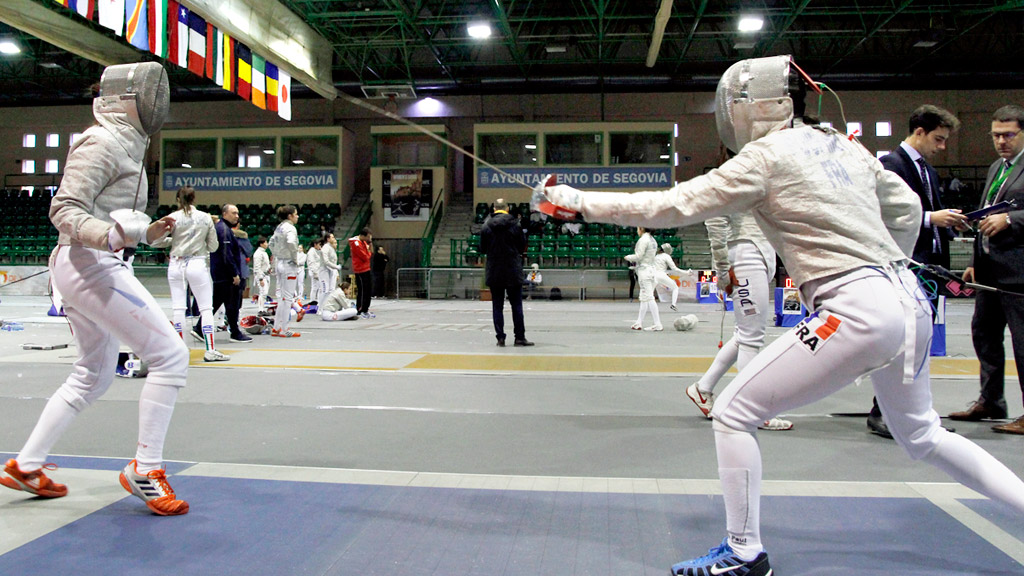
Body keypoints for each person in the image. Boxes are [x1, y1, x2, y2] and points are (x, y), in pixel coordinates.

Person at [532, 54, 1024, 575]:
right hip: (909, 300)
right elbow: (904, 208)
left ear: (757, 106)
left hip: (856, 308)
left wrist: (577, 201)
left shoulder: (764, 158)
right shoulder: (844, 145)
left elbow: (673, 206)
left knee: (732, 413)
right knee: (924, 436)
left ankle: (744, 550)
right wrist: (886, 261)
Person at [1, 62, 190, 515]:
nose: (158, 102)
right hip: (89, 264)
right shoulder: (101, 140)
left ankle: (25, 466)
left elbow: (115, 219)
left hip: (91, 263)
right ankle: (146, 469)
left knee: (93, 373)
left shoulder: (128, 144)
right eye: (152, 93)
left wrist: (144, 234)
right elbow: (64, 208)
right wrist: (105, 237)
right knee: (170, 355)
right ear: (129, 98)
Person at [867, 105, 966, 438]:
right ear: (919, 132)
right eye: (937, 139)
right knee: (901, 342)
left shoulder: (929, 172)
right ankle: (883, 412)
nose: (941, 147)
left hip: (929, 265)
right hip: (905, 264)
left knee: (918, 344)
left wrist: (946, 220)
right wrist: (930, 218)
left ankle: (910, 411)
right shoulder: (890, 166)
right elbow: (883, 213)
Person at [950, 104, 1024, 434]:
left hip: (1019, 273)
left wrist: (1011, 219)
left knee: (1023, 343)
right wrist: (973, 264)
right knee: (984, 335)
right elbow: (984, 217)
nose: (1001, 141)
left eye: (1008, 135)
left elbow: (1002, 217)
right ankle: (992, 400)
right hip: (990, 271)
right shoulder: (997, 168)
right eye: (996, 135)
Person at [687, 212, 792, 432]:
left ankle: (702, 388)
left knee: (744, 336)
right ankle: (751, 410)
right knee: (751, 339)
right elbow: (715, 218)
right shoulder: (734, 178)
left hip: (760, 252)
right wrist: (722, 268)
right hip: (745, 255)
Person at [151, 186, 229, 362]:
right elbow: (213, 246)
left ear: (178, 200)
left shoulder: (171, 218)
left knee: (178, 308)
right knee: (206, 308)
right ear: (194, 199)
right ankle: (210, 350)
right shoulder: (205, 217)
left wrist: (175, 241)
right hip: (196, 263)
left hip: (176, 264)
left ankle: (180, 351)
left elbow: (155, 242)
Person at [480, 198, 533, 347]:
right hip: (512, 270)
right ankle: (520, 337)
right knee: (516, 306)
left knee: (497, 307)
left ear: (494, 208)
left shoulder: (486, 225)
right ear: (507, 208)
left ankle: (500, 338)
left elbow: (482, 249)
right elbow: (522, 246)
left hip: (494, 270)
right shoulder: (516, 224)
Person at [207, 204, 250, 343]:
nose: (237, 216)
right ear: (225, 214)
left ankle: (199, 328)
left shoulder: (223, 228)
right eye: (234, 213)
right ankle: (235, 332)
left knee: (219, 301)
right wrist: (234, 273)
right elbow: (227, 254)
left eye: (237, 213)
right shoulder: (223, 230)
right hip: (225, 274)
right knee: (232, 304)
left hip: (221, 273)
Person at [269, 205, 302, 338]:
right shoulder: (290, 228)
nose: (297, 216)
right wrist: (295, 258)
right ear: (290, 216)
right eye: (296, 214)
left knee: (282, 298)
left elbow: (271, 243)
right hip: (288, 265)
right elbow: (291, 242)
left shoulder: (279, 227)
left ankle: (277, 328)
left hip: (280, 263)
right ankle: (284, 329)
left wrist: (277, 255)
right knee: (287, 298)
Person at [626, 226, 662, 331]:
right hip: (650, 270)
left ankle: (657, 323)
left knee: (649, 297)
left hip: (645, 272)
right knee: (644, 298)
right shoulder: (652, 239)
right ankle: (639, 322)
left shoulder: (643, 240)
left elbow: (639, 256)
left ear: (641, 228)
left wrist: (628, 257)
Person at [349, 227, 375, 318]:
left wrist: (370, 245)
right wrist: (368, 252)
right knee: (362, 290)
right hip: (360, 270)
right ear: (362, 236)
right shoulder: (356, 243)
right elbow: (365, 257)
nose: (369, 239)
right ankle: (360, 309)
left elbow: (370, 253)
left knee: (368, 290)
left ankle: (366, 309)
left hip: (366, 268)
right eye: (368, 237)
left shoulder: (364, 242)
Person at [653, 243, 686, 311]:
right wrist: (686, 272)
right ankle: (673, 304)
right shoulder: (666, 256)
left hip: (653, 276)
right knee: (675, 287)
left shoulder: (656, 256)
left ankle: (647, 307)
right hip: (661, 275)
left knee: (649, 294)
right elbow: (674, 268)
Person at [319, 233, 340, 306]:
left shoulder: (331, 248)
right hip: (324, 271)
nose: (334, 239)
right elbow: (326, 261)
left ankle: (326, 306)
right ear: (328, 239)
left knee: (331, 290)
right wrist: (336, 267)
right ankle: (320, 308)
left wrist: (335, 270)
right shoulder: (325, 248)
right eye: (332, 237)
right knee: (325, 290)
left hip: (330, 271)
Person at [253, 236, 271, 313]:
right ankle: (260, 310)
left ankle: (262, 309)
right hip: (261, 275)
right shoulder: (258, 254)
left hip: (265, 274)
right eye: (265, 242)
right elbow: (257, 267)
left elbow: (265, 264)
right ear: (261, 244)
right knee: (263, 292)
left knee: (264, 293)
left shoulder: (264, 252)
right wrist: (260, 279)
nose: (267, 244)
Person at [306, 238, 323, 303]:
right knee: (315, 288)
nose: (320, 246)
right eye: (319, 244)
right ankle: (312, 301)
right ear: (315, 244)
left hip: (317, 271)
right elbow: (311, 263)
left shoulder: (317, 251)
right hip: (314, 272)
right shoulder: (311, 252)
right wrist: (315, 273)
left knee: (317, 288)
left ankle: (317, 301)